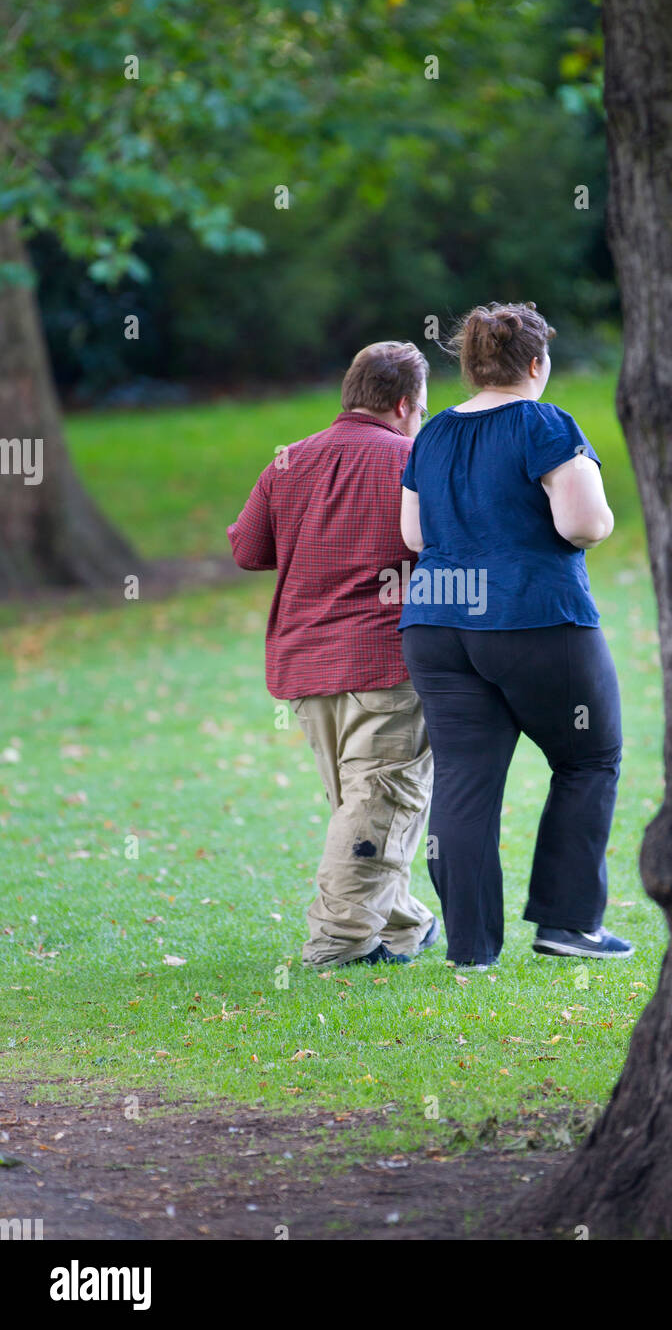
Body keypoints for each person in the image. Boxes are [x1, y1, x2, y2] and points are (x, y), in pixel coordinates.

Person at [399, 302, 632, 969]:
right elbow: (583, 525)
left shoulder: (434, 433)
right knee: (588, 760)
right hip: (532, 617)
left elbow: (414, 537)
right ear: (536, 363)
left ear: (470, 365)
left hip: (437, 625)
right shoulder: (545, 423)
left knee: (465, 781)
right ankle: (568, 925)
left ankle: (471, 949)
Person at [228, 341, 438, 967]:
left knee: (364, 805)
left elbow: (246, 549)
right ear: (404, 404)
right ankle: (338, 944)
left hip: (306, 662)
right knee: (381, 801)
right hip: (386, 659)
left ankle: (404, 926)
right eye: (422, 409)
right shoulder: (413, 459)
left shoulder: (288, 461)